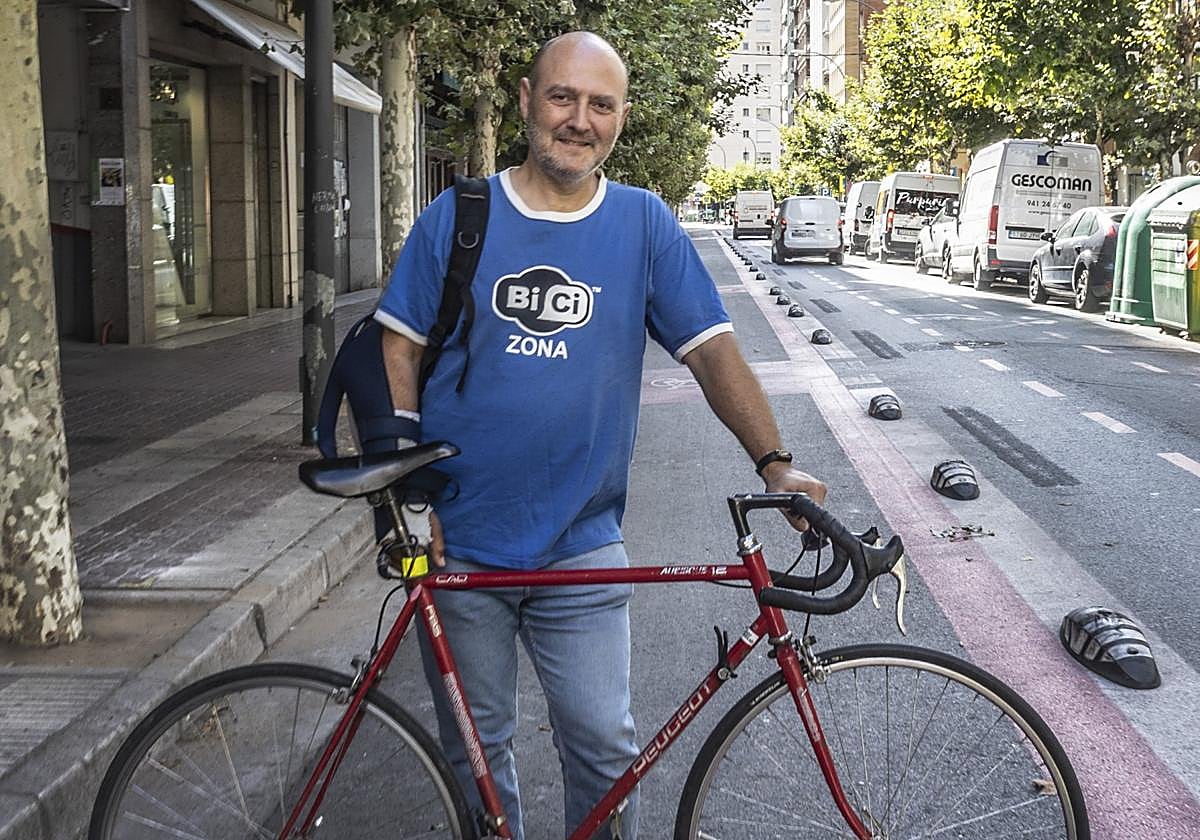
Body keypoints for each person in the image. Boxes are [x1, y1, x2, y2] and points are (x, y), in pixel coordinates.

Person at [374, 31, 826, 840]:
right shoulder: (460, 215)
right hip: (458, 538)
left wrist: (776, 462)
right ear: (523, 100)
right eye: (562, 97)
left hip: (580, 542)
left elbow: (712, 351)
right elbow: (398, 346)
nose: (579, 120)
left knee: (605, 752)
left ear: (619, 116)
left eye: (600, 104)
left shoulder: (644, 224)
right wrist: (407, 486)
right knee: (473, 757)